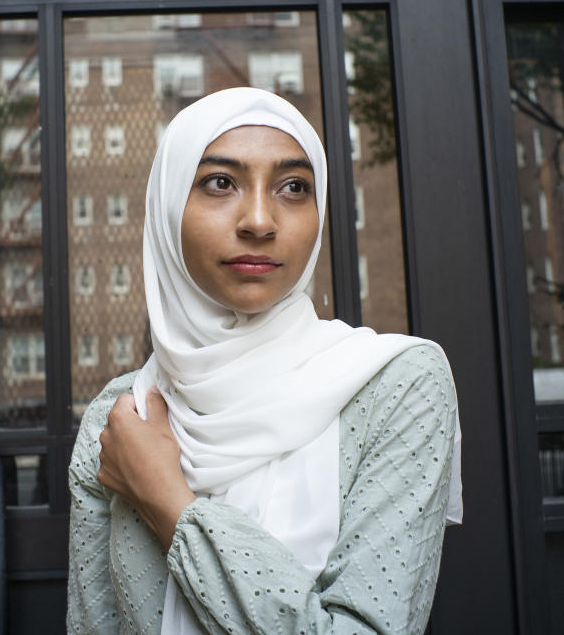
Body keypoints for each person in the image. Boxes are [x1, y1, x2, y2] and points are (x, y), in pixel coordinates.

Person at [67, 87, 462, 634]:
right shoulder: (118, 418)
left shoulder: (393, 383)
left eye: (294, 187)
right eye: (220, 183)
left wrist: (171, 505)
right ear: (167, 210)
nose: (259, 220)